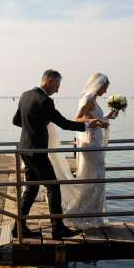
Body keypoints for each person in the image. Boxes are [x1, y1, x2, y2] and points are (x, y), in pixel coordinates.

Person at [12, 70, 105, 239]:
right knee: (53, 186)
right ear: (49, 82)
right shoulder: (45, 101)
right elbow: (63, 123)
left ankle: (18, 226)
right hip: (37, 151)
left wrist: (34, 128)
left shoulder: (25, 95)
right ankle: (57, 228)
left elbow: (16, 121)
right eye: (56, 86)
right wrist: (87, 126)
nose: (57, 90)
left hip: (24, 149)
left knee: (31, 188)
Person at [47, 73, 118, 229]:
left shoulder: (94, 101)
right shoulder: (87, 99)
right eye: (104, 88)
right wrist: (96, 121)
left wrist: (107, 117)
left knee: (93, 178)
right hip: (90, 145)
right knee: (96, 177)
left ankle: (92, 215)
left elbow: (95, 120)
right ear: (98, 85)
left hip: (95, 144)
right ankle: (79, 213)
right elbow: (77, 119)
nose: (105, 92)